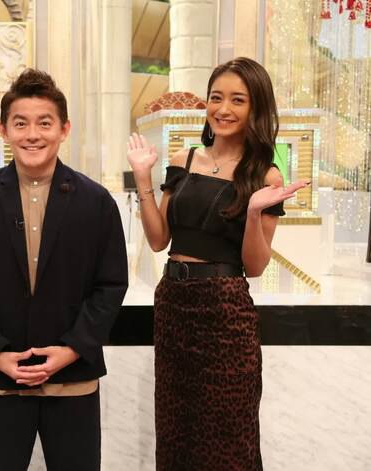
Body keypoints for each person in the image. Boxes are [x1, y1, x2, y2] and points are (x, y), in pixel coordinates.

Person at [127, 57, 309, 470]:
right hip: (173, 305)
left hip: (225, 312)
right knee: (176, 431)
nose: (223, 109)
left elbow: (255, 266)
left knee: (227, 437)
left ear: (255, 108)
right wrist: (142, 178)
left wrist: (253, 213)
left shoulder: (265, 175)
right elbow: (158, 240)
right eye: (216, 97)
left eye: (237, 100)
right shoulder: (184, 158)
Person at [0, 69, 128, 471]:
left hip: (73, 380)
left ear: (64, 129)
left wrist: (71, 349)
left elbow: (111, 285)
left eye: (44, 123)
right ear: (3, 130)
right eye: (20, 123)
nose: (33, 135)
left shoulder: (96, 203)